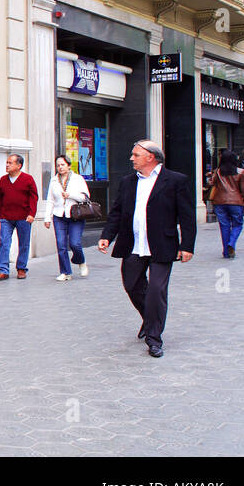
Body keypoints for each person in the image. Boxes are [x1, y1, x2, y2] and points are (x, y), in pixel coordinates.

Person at [98, 139, 195, 359]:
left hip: (162, 245)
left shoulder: (175, 181)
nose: (132, 158)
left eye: (136, 155)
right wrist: (107, 236)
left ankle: (154, 338)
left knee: (156, 291)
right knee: (132, 285)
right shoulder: (128, 182)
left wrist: (187, 245)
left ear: (150, 157)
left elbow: (187, 216)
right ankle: (150, 318)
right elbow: (117, 212)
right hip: (134, 244)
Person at [45, 153, 90, 281]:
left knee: (75, 243)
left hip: (75, 215)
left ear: (69, 166)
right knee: (61, 245)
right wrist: (47, 218)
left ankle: (81, 261)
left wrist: (70, 195)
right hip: (59, 215)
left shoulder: (78, 179)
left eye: (63, 165)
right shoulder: (54, 180)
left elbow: (85, 197)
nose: (60, 167)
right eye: (58, 165)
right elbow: (50, 200)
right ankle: (65, 272)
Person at [0, 153, 38, 280]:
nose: (7, 165)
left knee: (23, 243)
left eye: (10, 163)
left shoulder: (28, 179)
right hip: (6, 218)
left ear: (19, 166)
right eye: (7, 162)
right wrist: (0, 214)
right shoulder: (3, 179)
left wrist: (31, 214)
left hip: (24, 217)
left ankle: (21, 268)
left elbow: (34, 197)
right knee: (4, 242)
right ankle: (3, 270)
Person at [207, 149, 244, 259]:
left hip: (219, 202)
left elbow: (212, 183)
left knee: (224, 226)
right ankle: (232, 242)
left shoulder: (218, 171)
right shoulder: (240, 172)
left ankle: (226, 251)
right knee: (237, 224)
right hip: (236, 202)